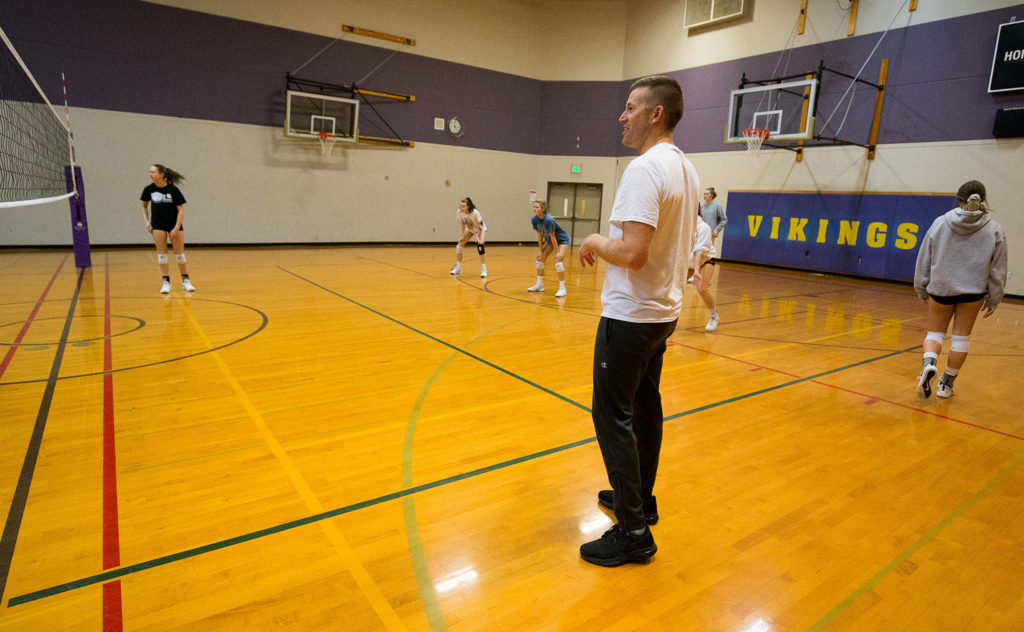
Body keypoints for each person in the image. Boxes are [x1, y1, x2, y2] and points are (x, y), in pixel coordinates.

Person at [576, 75, 699, 566]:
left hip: (631, 317)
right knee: (644, 408)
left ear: (656, 114)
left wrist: (591, 240)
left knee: (612, 414)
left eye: (630, 108)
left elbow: (631, 252)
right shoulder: (686, 168)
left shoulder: (646, 169)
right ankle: (640, 500)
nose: (621, 117)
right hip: (662, 313)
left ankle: (632, 531)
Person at [913, 180, 1007, 399]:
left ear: (958, 198)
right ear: (983, 199)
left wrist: (921, 287)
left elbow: (924, 257)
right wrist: (995, 297)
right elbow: (998, 268)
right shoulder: (994, 228)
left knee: (935, 334)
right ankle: (946, 385)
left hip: (941, 289)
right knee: (961, 339)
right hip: (973, 292)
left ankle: (929, 364)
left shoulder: (940, 223)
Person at [141, 164, 195, 294]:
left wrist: (176, 228)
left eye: (153, 172)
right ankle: (166, 282)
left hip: (173, 224)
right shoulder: (148, 189)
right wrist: (147, 222)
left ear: (161, 174)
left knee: (180, 254)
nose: (151, 174)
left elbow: (180, 211)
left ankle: (185, 280)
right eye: (150, 172)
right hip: (157, 225)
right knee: (162, 254)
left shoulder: (173, 190)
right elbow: (144, 206)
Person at [527, 200, 570, 297]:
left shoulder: (549, 220)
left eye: (537, 207)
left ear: (543, 209)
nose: (534, 209)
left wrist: (558, 252)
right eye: (534, 207)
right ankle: (540, 285)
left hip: (561, 240)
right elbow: (540, 237)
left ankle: (563, 288)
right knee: (540, 259)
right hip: (550, 240)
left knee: (558, 261)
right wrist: (540, 251)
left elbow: (553, 236)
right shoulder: (534, 219)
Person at [690, 215, 720, 332]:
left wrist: (696, 271)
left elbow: (699, 251)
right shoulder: (683, 223)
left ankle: (714, 316)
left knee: (702, 289)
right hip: (690, 262)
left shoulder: (703, 227)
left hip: (705, 260)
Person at [449, 197, 487, 278]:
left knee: (480, 246)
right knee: (459, 245)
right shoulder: (460, 212)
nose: (461, 208)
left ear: (468, 206)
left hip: (480, 229)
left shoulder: (475, 212)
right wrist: (463, 235)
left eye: (463, 206)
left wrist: (478, 236)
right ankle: (459, 267)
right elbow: (462, 222)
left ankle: (484, 269)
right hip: (470, 229)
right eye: (460, 206)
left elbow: (481, 224)